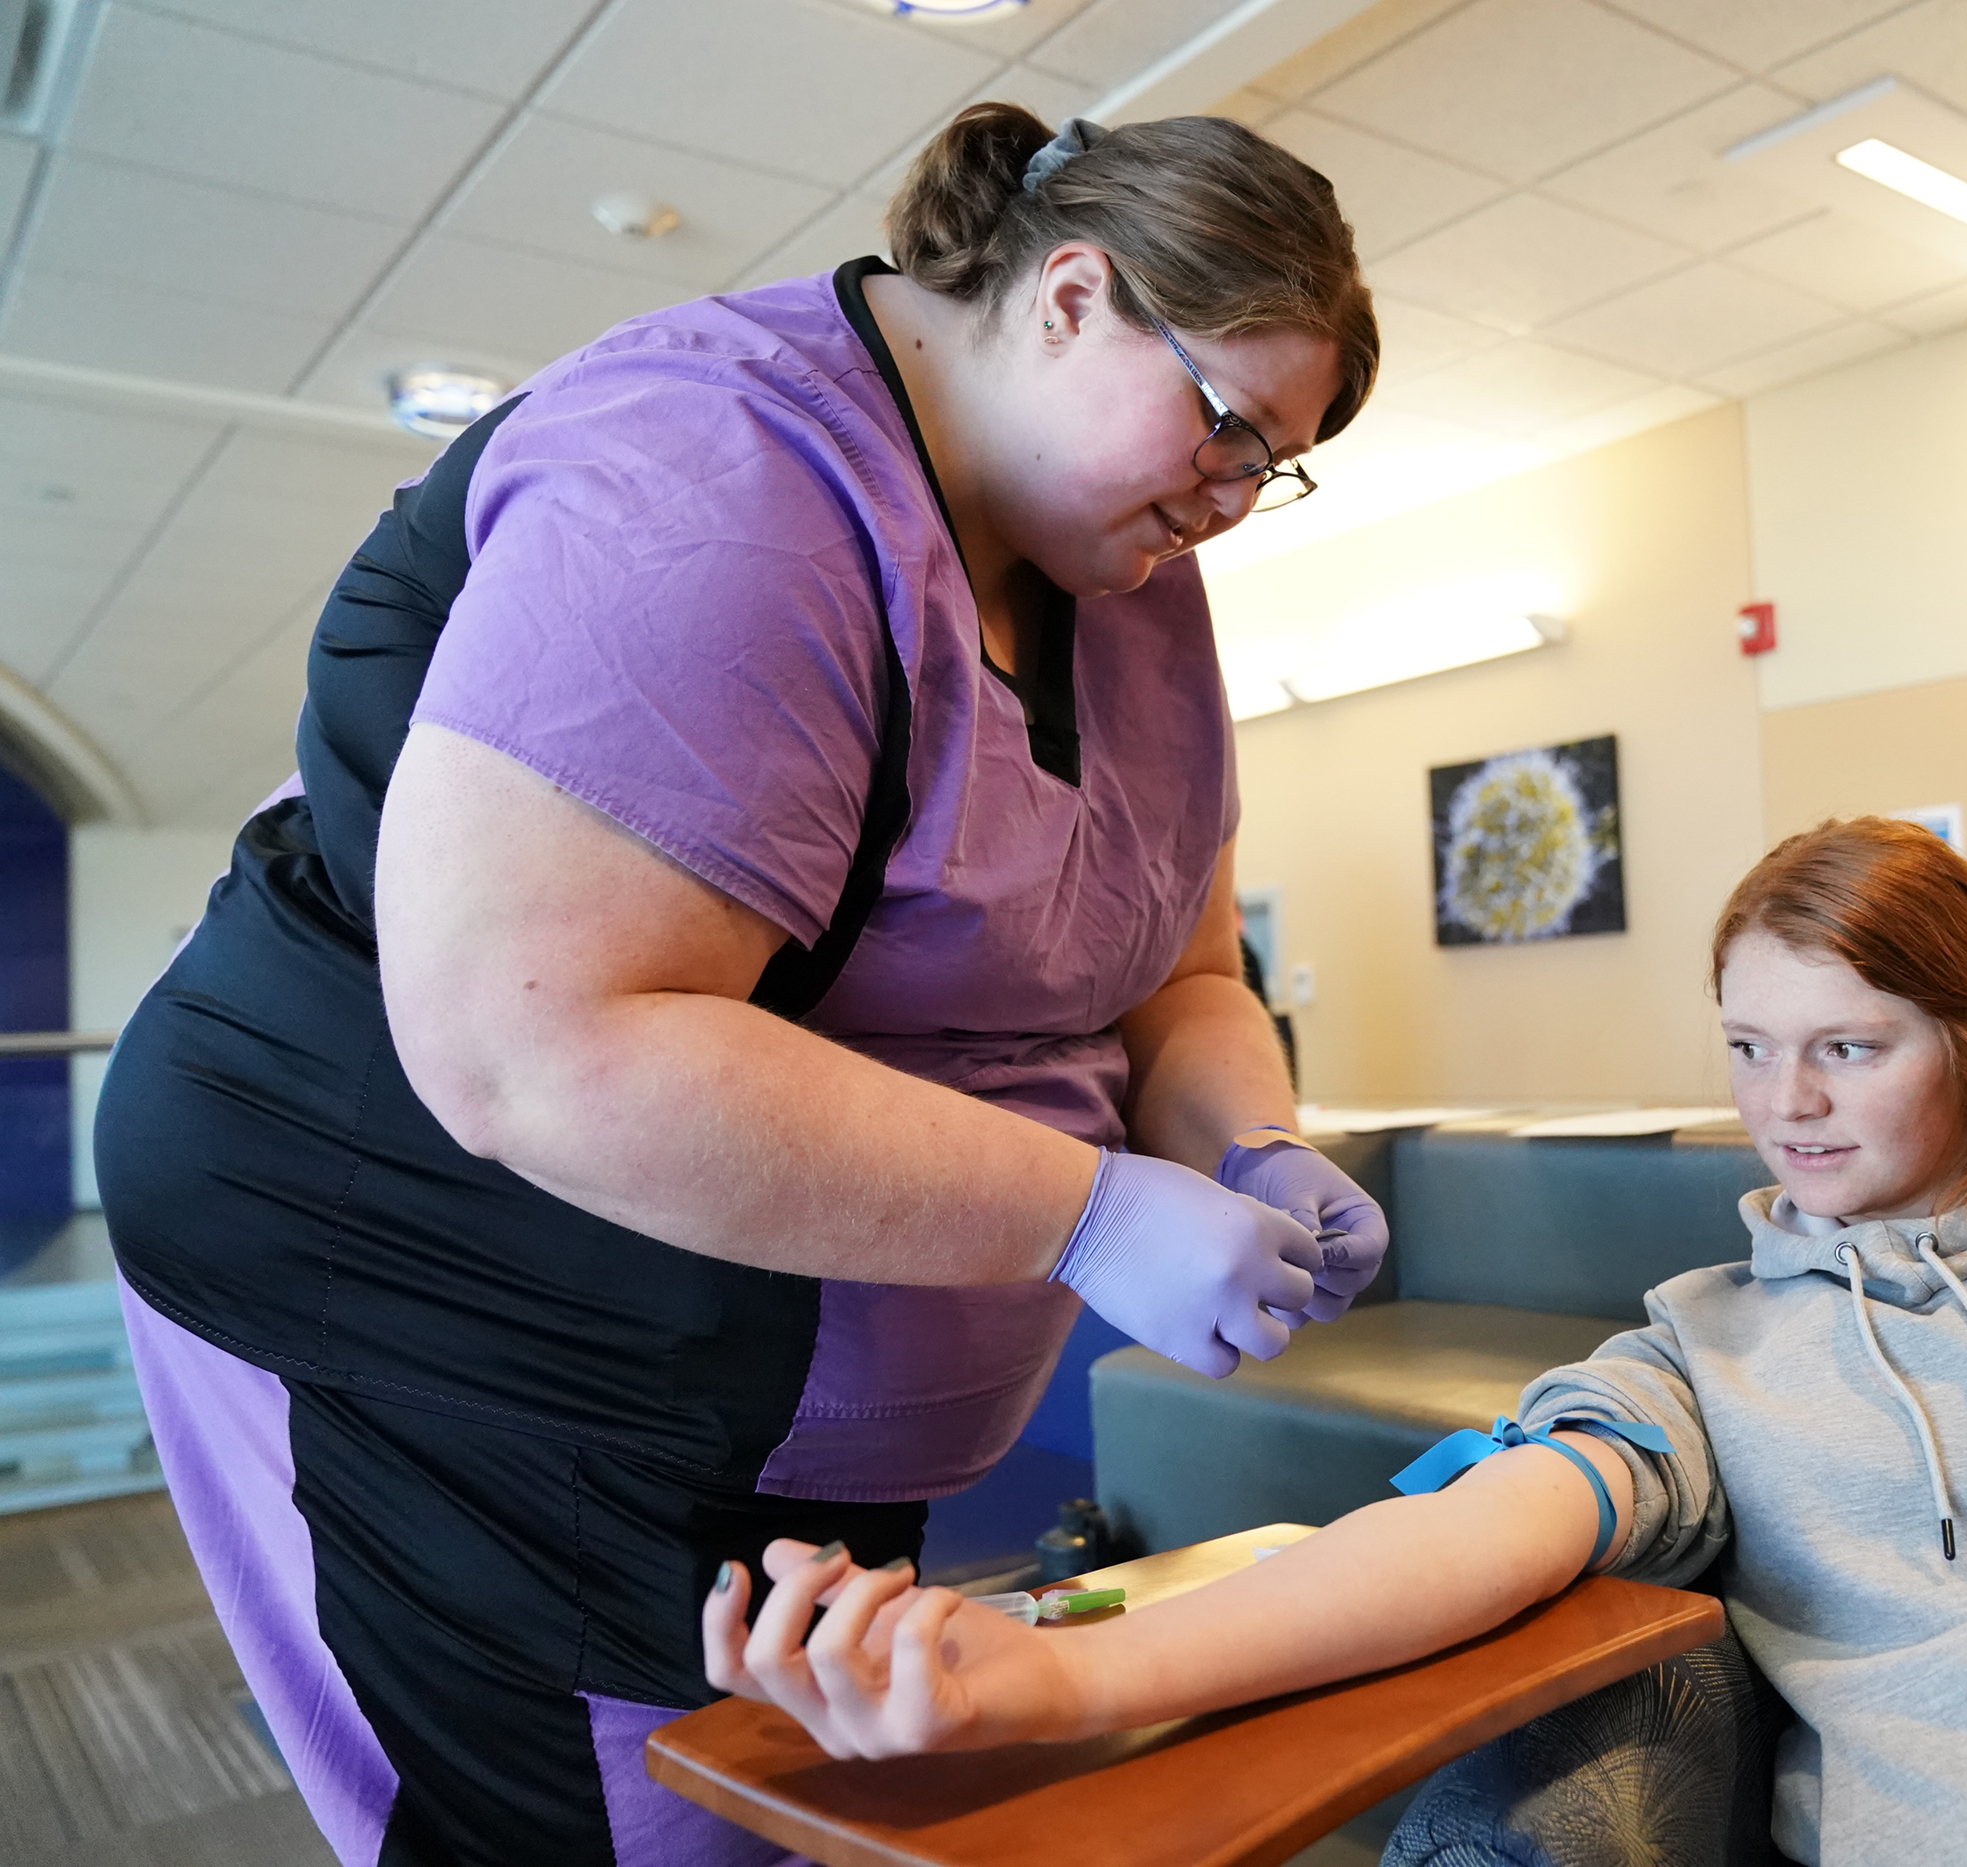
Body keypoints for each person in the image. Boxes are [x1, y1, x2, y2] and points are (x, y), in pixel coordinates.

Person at [93, 105, 1388, 1865]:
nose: (1235, 502)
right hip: (463, 1295)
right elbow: (542, 1052)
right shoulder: (724, 485)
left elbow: (1174, 964)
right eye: (1228, 429)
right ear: (1070, 295)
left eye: (1276, 468)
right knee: (620, 1824)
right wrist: (1087, 1216)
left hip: (783, 1389)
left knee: (806, 1792)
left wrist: (1250, 1144)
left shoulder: (1124, 567)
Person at [706, 817, 1967, 1867]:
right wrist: (1052, 1672)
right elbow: (1471, 1535)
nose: (1783, 1104)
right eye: (1745, 1049)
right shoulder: (1701, 1339)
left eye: (1847, 1047)